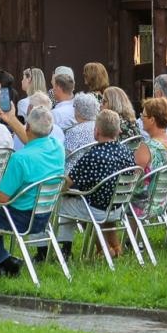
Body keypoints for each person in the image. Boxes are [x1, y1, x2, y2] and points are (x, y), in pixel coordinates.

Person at [0, 105, 63, 277]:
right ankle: (1, 266)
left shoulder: (20, 158)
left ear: (28, 127)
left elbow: (2, 197)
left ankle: (4, 261)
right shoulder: (56, 147)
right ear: (51, 129)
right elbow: (31, 140)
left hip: (21, 218)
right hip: (45, 215)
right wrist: (11, 119)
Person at [57, 109, 134, 258]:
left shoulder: (92, 156)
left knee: (63, 200)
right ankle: (114, 247)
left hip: (97, 209)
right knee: (89, 199)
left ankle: (65, 250)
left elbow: (67, 183)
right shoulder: (127, 152)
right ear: (118, 131)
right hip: (119, 207)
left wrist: (58, 187)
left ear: (96, 131)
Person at [134, 97, 167, 178]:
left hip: (146, 191)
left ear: (152, 120)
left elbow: (133, 180)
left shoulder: (146, 147)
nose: (141, 118)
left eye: (143, 115)